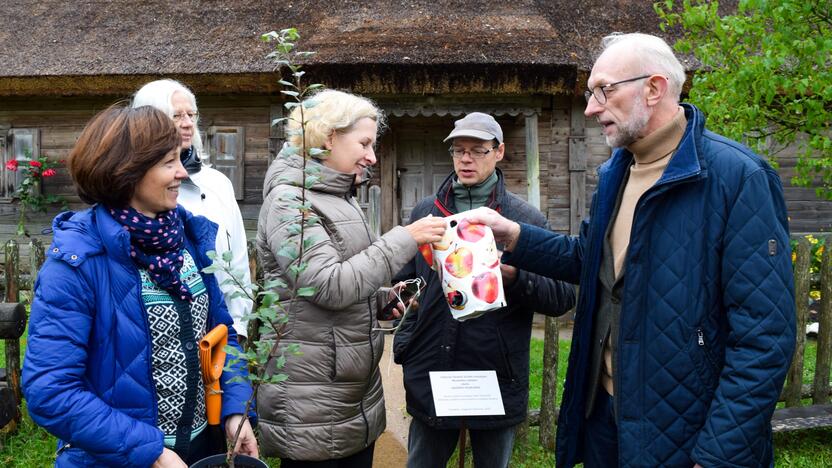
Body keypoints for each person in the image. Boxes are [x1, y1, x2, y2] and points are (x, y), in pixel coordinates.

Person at [468, 33, 796, 468]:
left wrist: (719, 454)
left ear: (654, 88)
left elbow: (765, 338)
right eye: (589, 94)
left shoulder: (739, 179)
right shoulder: (614, 173)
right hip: (605, 418)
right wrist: (513, 235)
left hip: (685, 430)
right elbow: (591, 261)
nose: (589, 107)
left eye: (603, 90)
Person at [22, 105, 258, 467]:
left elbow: (221, 334)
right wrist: (149, 451)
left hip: (201, 451)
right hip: (117, 457)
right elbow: (50, 391)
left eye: (181, 158)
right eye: (168, 162)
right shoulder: (77, 263)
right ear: (126, 173)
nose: (183, 172)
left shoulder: (191, 238)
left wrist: (234, 409)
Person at [255, 89, 447, 467]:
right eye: (364, 143)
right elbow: (327, 284)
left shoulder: (340, 196)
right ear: (328, 137)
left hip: (349, 393)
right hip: (313, 401)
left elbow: (344, 278)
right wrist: (406, 237)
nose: (372, 156)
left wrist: (380, 298)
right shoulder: (289, 201)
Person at [391, 112, 576, 468]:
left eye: (477, 150)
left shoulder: (524, 220)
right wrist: (404, 323)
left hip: (494, 375)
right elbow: (407, 282)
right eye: (459, 150)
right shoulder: (427, 212)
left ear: (499, 152)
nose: (465, 158)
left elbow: (562, 296)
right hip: (433, 371)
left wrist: (513, 278)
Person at [132, 79, 253, 342]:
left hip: (222, 335)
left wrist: (238, 329)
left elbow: (239, 262)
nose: (187, 123)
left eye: (191, 114)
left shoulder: (218, 183)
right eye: (176, 115)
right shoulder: (138, 192)